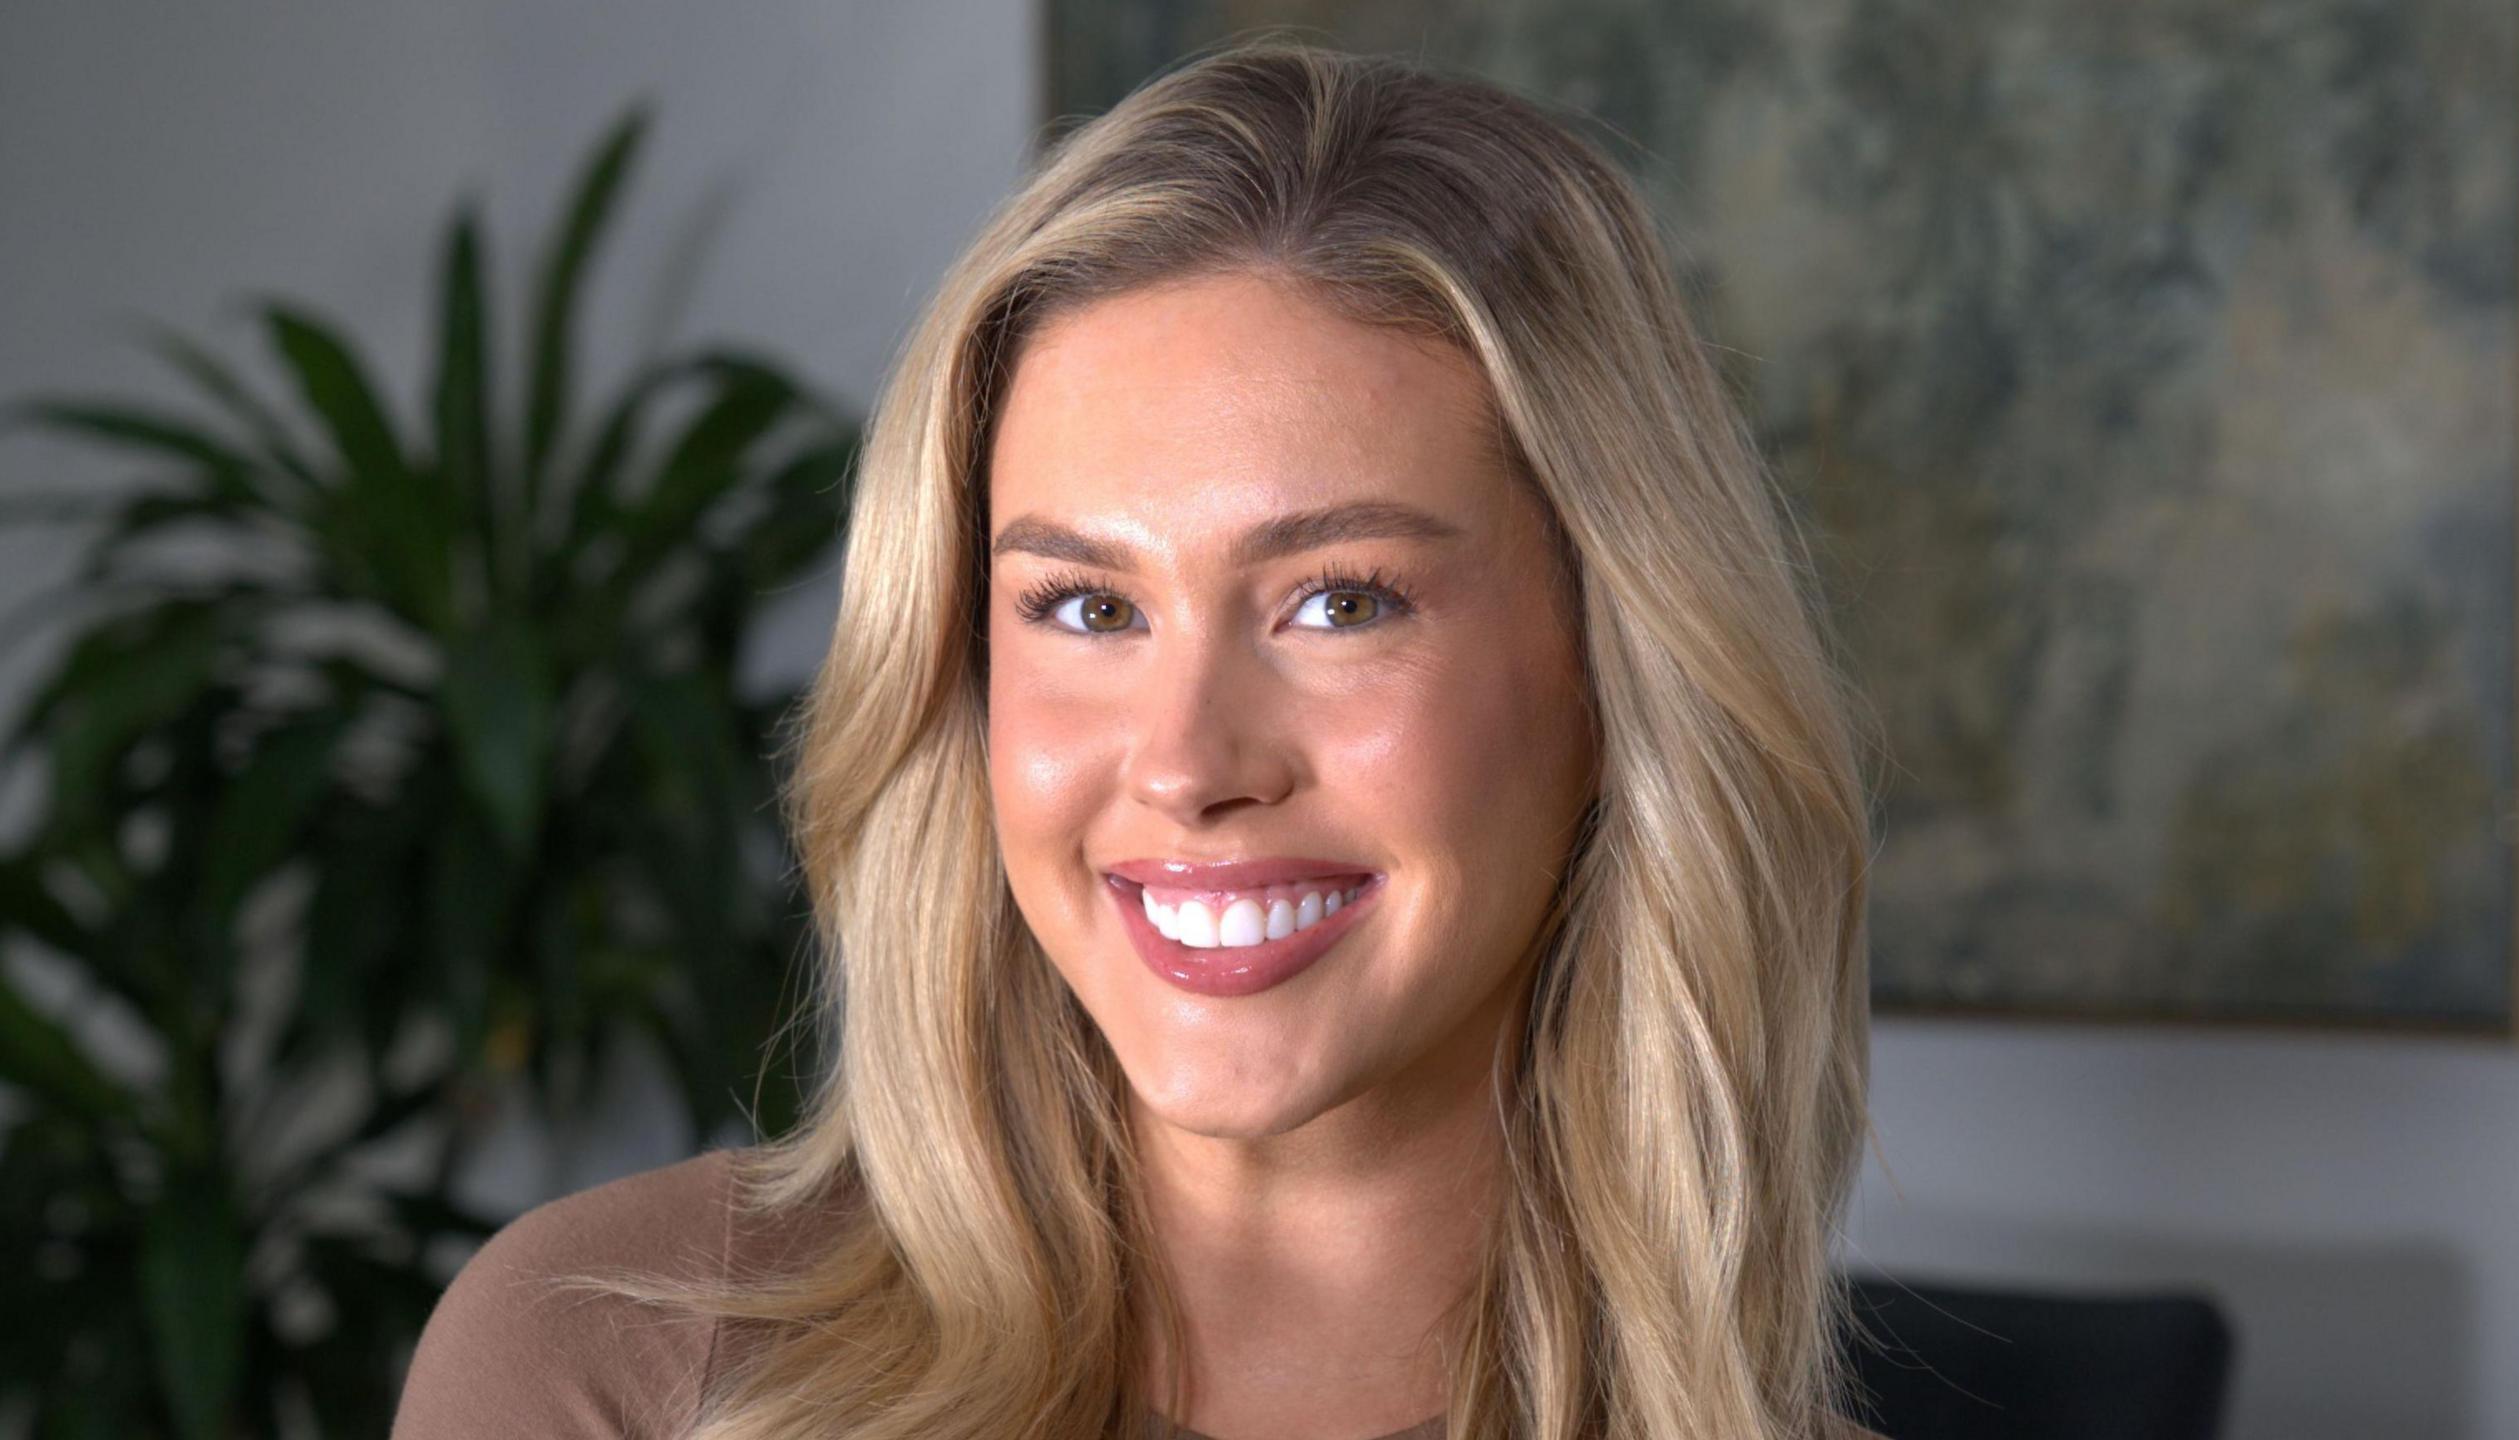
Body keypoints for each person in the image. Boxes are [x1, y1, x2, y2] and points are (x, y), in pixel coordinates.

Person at [392, 35, 1888, 1440]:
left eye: (1341, 601)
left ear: (1613, 666)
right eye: (1089, 609)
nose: (1184, 764)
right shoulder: (620, 1367)